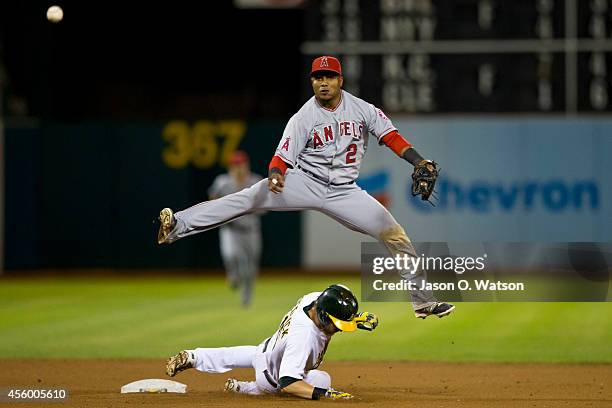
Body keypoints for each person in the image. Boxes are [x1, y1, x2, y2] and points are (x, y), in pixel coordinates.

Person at [157, 55, 454, 319]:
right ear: (312, 81)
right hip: (304, 181)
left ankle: (423, 302)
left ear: (340, 80)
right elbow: (281, 155)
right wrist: (275, 174)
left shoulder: (363, 110)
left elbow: (391, 137)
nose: (323, 83)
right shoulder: (303, 117)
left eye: (329, 77)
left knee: (394, 233)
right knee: (248, 198)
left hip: (345, 191)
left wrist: (418, 161)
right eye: (317, 77)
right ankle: (177, 225)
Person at [165, 284, 379, 400]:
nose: (339, 330)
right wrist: (325, 394)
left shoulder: (312, 299)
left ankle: (195, 356)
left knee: (235, 355)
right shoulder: (304, 338)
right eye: (338, 325)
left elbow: (333, 307)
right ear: (323, 316)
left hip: (267, 349)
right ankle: (246, 388)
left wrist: (355, 318)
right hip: (272, 378)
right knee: (322, 379)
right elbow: (288, 383)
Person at [208, 150, 263, 307]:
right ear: (230, 167)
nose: (238, 168)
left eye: (241, 164)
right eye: (235, 165)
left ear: (247, 165)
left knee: (251, 266)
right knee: (231, 255)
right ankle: (233, 275)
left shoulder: (256, 181)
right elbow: (212, 200)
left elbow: (266, 205)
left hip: (251, 229)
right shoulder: (222, 182)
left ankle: (246, 296)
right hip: (230, 229)